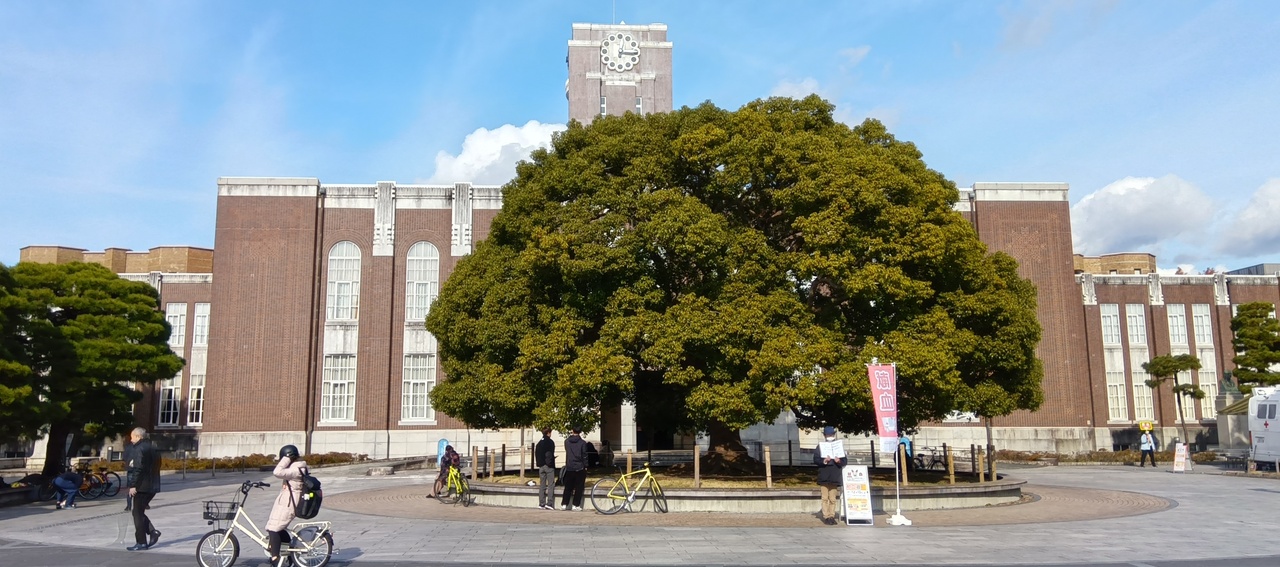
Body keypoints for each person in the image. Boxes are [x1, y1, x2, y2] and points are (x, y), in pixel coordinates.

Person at [267, 445, 308, 567]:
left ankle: (275, 558)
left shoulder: (295, 469)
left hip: (289, 503)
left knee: (274, 528)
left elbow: (277, 472)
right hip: (286, 501)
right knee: (277, 527)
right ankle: (289, 556)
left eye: (284, 457)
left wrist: (286, 459)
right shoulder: (296, 468)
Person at [125, 427, 161, 551]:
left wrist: (133, 485)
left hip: (142, 486)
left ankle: (141, 542)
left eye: (132, 437)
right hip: (153, 485)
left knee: (137, 514)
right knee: (138, 512)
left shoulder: (139, 448)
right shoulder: (153, 447)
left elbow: (138, 468)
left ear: (138, 437)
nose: (131, 439)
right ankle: (152, 532)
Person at [814, 426, 846, 525]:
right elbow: (815, 460)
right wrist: (824, 461)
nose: (830, 436)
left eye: (831, 435)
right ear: (824, 435)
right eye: (828, 435)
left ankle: (832, 516)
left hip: (835, 474)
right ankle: (826, 516)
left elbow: (845, 461)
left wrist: (839, 460)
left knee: (832, 498)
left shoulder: (839, 446)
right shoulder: (820, 446)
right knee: (824, 498)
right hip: (824, 474)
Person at [559, 426, 587, 511]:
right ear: (580, 432)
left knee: (568, 487)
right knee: (579, 487)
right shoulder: (582, 443)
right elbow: (584, 455)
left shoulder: (567, 442)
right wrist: (586, 465)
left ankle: (564, 504)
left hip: (570, 466)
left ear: (572, 431)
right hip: (579, 466)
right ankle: (576, 505)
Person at [535, 428, 556, 510]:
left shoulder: (539, 443)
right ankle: (549, 503)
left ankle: (541, 503)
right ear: (548, 433)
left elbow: (536, 454)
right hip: (548, 466)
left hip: (541, 466)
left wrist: (539, 463)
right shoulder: (550, 442)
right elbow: (549, 453)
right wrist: (550, 462)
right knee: (551, 484)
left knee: (542, 485)